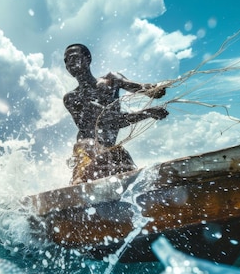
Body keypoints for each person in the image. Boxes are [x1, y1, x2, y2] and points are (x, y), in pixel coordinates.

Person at [63, 43, 168, 185]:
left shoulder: (112, 80)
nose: (70, 63)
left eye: (74, 58)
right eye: (66, 61)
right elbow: (111, 121)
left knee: (131, 174)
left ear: (88, 59)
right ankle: (78, 183)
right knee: (88, 146)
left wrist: (155, 89)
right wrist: (147, 113)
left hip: (111, 151)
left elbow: (144, 89)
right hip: (87, 152)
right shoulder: (72, 98)